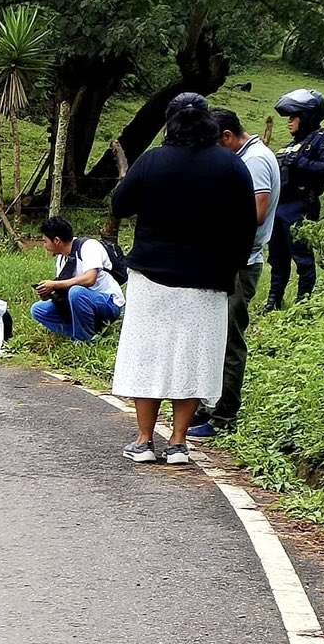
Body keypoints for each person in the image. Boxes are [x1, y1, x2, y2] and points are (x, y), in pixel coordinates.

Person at [108, 93, 256, 466]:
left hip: (153, 278)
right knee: (194, 357)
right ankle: (178, 443)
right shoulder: (232, 167)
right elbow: (245, 227)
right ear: (208, 122)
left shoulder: (153, 161)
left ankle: (144, 441)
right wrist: (231, 269)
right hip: (207, 281)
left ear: (170, 123)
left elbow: (120, 205)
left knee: (149, 356)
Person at [188, 108, 277, 441]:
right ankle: (208, 407)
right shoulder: (252, 155)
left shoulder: (253, 161)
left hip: (243, 261)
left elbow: (256, 212)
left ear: (227, 136)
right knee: (218, 335)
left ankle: (224, 413)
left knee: (229, 339)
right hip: (235, 259)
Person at [267, 89, 324, 310]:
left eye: (294, 117)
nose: (289, 122)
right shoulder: (289, 145)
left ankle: (303, 303)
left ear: (307, 117)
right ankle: (273, 301)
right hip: (280, 206)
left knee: (302, 257)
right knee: (277, 257)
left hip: (302, 205)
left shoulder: (322, 138)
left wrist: (300, 163)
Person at [29, 217, 123, 342]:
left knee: (76, 292)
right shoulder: (61, 259)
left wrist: (56, 284)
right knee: (38, 309)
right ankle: (83, 333)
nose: (44, 246)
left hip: (108, 302)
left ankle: (84, 339)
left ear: (56, 240)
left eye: (45, 241)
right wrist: (48, 293)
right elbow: (63, 290)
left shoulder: (89, 246)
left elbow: (90, 279)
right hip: (78, 302)